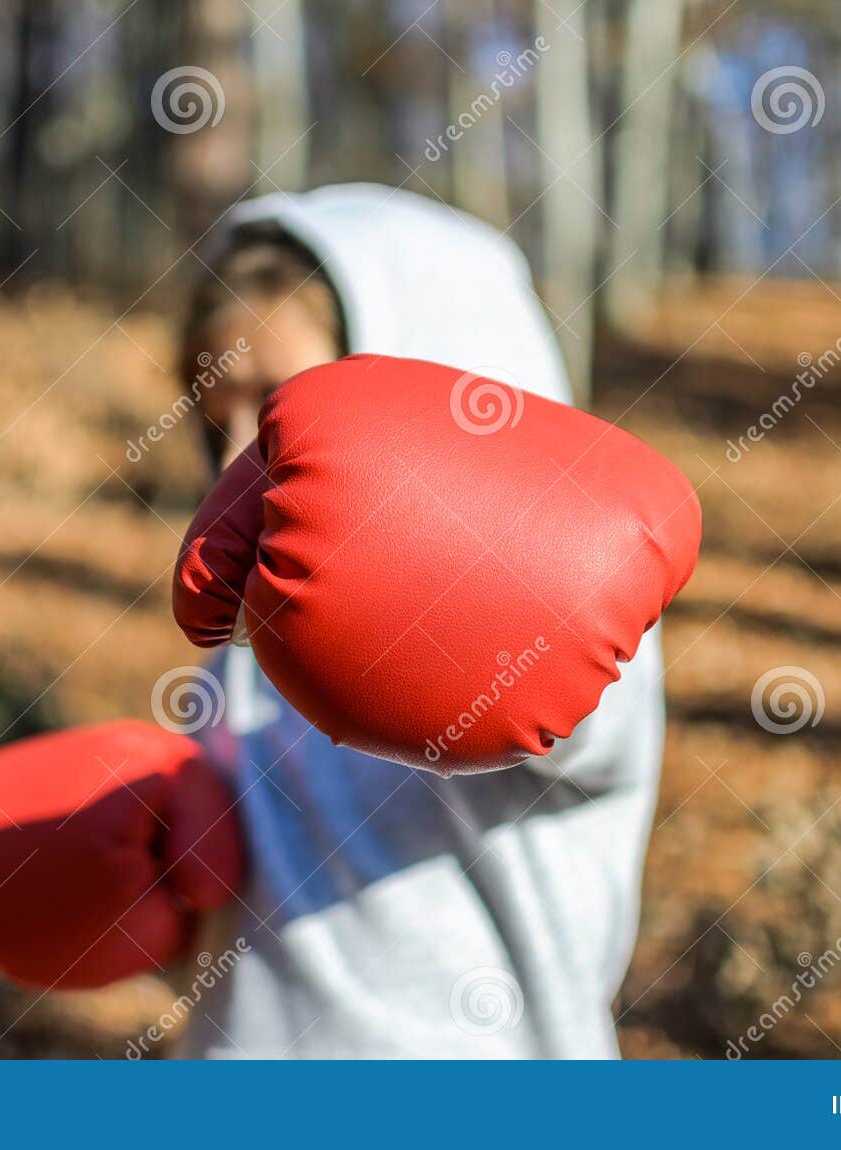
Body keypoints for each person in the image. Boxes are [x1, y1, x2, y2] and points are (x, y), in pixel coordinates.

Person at [171, 183, 667, 1058]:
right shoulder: (246, 637)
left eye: (282, 403)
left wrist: (459, 555)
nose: (237, 449)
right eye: (220, 416)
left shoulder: (565, 601)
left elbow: (594, 722)